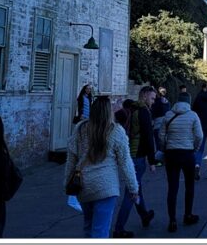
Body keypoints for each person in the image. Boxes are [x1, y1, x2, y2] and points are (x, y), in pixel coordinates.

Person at [65, 96, 139, 238]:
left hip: (84, 186)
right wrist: (133, 187)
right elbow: (125, 162)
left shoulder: (80, 129)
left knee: (88, 227)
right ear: (108, 112)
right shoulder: (116, 131)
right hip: (106, 187)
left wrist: (67, 183)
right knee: (101, 230)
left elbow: (71, 159)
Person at [112, 87, 159, 238]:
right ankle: (119, 229)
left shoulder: (130, 108)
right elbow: (148, 137)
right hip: (137, 155)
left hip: (127, 153)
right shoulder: (143, 111)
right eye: (152, 98)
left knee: (136, 187)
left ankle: (144, 215)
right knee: (131, 192)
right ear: (144, 96)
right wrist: (152, 161)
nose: (153, 102)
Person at [158, 92, 203, 233]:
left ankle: (172, 220)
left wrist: (165, 148)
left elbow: (161, 135)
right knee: (189, 186)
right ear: (188, 102)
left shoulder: (168, 115)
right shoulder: (193, 115)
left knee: (172, 187)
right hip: (187, 153)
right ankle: (188, 215)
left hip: (171, 154)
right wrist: (194, 148)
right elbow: (199, 136)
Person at [151, 87, 171, 155]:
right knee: (166, 142)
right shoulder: (167, 102)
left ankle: (159, 159)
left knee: (158, 143)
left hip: (157, 125)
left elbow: (152, 113)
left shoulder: (155, 102)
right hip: (167, 124)